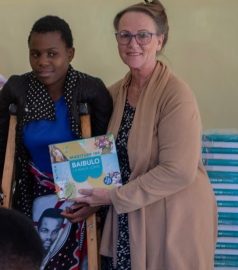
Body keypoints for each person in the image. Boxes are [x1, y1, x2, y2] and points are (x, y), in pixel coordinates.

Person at [72, 1, 218, 270]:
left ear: (160, 41)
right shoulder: (114, 93)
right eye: (124, 35)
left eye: (143, 35)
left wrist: (110, 197)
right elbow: (108, 161)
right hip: (129, 214)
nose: (132, 43)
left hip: (173, 218)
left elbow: (178, 170)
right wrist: (92, 199)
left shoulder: (177, 95)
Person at [0, 15, 112, 269]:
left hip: (81, 194)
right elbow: (1, 144)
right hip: (32, 193)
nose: (42, 62)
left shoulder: (90, 90)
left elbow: (105, 148)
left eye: (52, 54)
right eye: (35, 54)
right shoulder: (18, 89)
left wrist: (94, 202)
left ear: (70, 53)